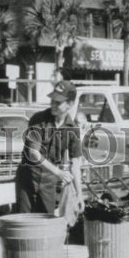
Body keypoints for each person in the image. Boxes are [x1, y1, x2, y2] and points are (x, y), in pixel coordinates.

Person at [15, 79, 84, 216]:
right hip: (28, 178)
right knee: (24, 222)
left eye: (58, 102)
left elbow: (75, 164)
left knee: (47, 223)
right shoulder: (38, 119)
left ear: (70, 104)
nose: (53, 104)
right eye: (52, 100)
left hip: (48, 182)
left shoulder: (72, 129)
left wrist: (79, 195)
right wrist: (58, 173)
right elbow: (33, 153)